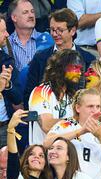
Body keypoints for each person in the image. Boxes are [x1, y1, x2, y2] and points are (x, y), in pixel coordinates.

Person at [43, 88, 101, 179]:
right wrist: (80, 131)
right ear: (78, 108)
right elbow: (47, 143)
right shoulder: (65, 125)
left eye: (98, 106)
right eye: (90, 106)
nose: (95, 110)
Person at [24, 8, 95, 110]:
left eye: (60, 30)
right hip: (46, 114)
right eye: (52, 30)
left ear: (73, 31)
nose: (54, 34)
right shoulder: (40, 58)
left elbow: (92, 94)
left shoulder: (88, 59)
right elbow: (29, 94)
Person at [28, 49, 83, 145]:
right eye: (75, 68)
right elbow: (47, 126)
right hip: (43, 154)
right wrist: (75, 119)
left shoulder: (71, 96)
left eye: (80, 69)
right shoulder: (41, 92)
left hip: (65, 154)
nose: (79, 73)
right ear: (61, 68)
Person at [5, 109, 50, 179]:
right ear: (26, 159)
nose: (36, 157)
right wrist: (11, 129)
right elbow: (12, 154)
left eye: (41, 155)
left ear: (45, 163)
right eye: (32, 154)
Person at [0, 14, 22, 148]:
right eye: (2, 31)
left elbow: (18, 97)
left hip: (3, 128)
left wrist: (7, 85)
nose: (7, 34)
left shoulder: (6, 61)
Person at [7, 0, 41, 72]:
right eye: (25, 12)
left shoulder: (45, 39)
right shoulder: (6, 43)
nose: (31, 15)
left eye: (32, 11)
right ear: (14, 18)